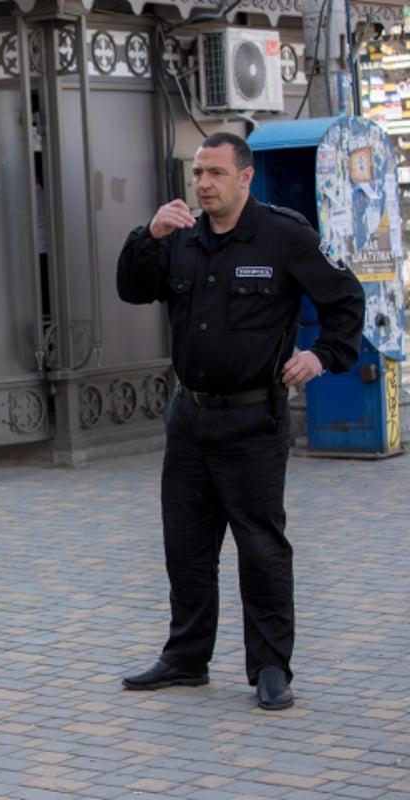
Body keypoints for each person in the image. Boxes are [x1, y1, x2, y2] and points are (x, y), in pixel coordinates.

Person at [116, 132, 365, 711]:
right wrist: (146, 236)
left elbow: (345, 300)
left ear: (245, 178)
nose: (203, 184)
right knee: (186, 547)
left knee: (261, 549)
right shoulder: (180, 236)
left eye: (216, 174)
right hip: (189, 418)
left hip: (253, 420)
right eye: (198, 173)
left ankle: (271, 666)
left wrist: (321, 356)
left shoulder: (284, 235)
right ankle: (186, 657)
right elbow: (132, 289)